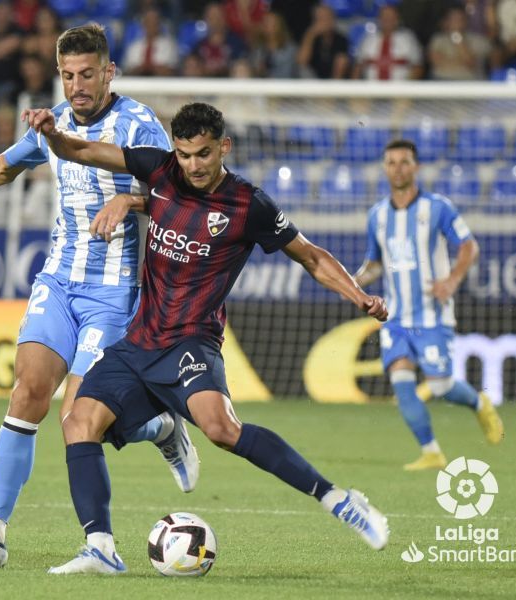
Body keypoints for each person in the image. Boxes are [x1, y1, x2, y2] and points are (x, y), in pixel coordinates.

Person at [0, 24, 200, 570]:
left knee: (82, 417)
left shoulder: (139, 125)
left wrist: (132, 204)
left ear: (109, 71)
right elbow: (1, 167)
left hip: (115, 291)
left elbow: (178, 195)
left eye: (88, 74)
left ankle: (158, 436)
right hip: (58, 282)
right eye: (68, 75)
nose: (77, 85)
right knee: (27, 393)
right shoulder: (56, 121)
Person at [24, 102, 391, 574]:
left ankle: (338, 498)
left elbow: (311, 256)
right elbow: (80, 149)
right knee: (77, 423)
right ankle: (101, 549)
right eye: (184, 154)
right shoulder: (159, 169)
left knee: (220, 429)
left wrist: (358, 295)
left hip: (191, 343)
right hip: (140, 340)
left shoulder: (248, 205)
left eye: (202, 154)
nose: (193, 165)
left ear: (224, 147)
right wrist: (53, 134)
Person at [353, 139, 504, 471]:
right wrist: (354, 282)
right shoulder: (377, 215)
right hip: (396, 317)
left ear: (416, 167)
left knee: (440, 386)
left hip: (433, 315)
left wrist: (451, 280)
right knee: (401, 381)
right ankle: (432, 451)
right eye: (391, 163)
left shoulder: (437, 208)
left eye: (404, 162)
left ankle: (479, 402)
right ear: (384, 168)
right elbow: (375, 263)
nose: (398, 168)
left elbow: (468, 247)